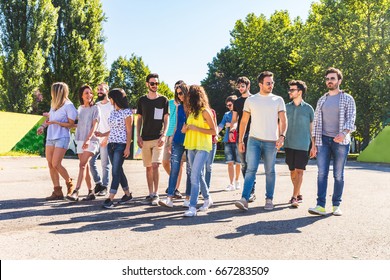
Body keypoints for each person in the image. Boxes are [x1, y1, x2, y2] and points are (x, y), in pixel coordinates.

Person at [234, 71, 287, 211]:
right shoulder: (251, 100)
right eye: (268, 83)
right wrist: (240, 141)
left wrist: (282, 136)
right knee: (250, 169)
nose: (271, 85)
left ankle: (269, 199)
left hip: (271, 141)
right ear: (260, 84)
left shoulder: (278, 100)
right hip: (254, 140)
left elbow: (283, 120)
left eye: (272, 83)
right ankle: (244, 199)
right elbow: (243, 122)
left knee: (270, 171)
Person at [308, 67, 356, 216]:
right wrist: (314, 144)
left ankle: (336, 205)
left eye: (333, 78)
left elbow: (351, 118)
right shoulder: (322, 100)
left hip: (341, 141)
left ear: (339, 81)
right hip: (323, 140)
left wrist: (343, 133)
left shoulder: (347, 98)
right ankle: (320, 206)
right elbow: (315, 123)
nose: (329, 81)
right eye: (328, 79)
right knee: (321, 173)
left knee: (338, 174)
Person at [36, 82, 77, 200]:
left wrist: (57, 123)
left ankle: (70, 184)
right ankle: (57, 191)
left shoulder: (69, 106)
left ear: (58, 92)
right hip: (50, 137)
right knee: (50, 164)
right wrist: (42, 127)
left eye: (53, 90)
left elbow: (71, 124)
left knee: (56, 164)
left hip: (62, 137)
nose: (51, 93)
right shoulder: (53, 104)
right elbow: (49, 118)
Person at [182, 85, 217, 217]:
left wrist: (196, 128)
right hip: (191, 146)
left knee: (194, 176)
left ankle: (192, 207)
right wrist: (185, 129)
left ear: (194, 96)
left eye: (188, 95)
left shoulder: (205, 111)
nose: (186, 97)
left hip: (203, 147)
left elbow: (213, 131)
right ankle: (207, 199)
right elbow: (186, 129)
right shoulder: (191, 112)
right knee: (198, 175)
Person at [96, 88, 134, 209]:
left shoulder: (127, 112)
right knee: (118, 170)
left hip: (121, 145)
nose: (110, 100)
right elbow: (113, 129)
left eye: (110, 98)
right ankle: (127, 194)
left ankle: (110, 198)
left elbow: (129, 131)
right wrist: (103, 135)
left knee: (115, 171)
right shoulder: (113, 112)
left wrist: (128, 147)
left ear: (114, 98)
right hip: (111, 144)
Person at [136, 73, 169, 205]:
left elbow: (166, 119)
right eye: (152, 83)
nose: (155, 85)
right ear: (147, 84)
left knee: (156, 165)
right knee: (148, 167)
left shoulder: (163, 100)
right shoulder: (142, 100)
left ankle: (156, 194)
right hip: (145, 138)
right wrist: (138, 135)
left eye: (157, 83)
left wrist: (164, 135)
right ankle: (150, 193)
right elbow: (139, 119)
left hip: (158, 138)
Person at [159, 82, 189, 208]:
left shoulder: (193, 106)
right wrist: (171, 140)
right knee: (174, 168)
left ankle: (188, 198)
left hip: (190, 141)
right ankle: (169, 198)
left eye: (181, 93)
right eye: (177, 94)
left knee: (190, 170)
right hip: (177, 140)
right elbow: (176, 124)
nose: (179, 96)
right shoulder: (178, 107)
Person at [67, 85, 101, 201]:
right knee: (84, 167)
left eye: (90, 93)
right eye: (86, 93)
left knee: (82, 165)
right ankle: (91, 192)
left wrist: (88, 139)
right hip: (80, 139)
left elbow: (94, 125)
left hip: (91, 141)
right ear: (82, 95)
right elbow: (79, 124)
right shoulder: (80, 109)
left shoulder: (95, 108)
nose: (89, 95)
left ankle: (76, 191)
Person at [284, 80, 314, 207]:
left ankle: (294, 197)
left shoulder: (308, 109)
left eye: (292, 90)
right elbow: (281, 125)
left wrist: (314, 145)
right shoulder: (286, 107)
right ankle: (299, 192)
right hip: (289, 143)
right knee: (292, 171)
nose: (289, 92)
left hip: (303, 144)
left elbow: (312, 128)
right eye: (289, 89)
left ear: (300, 92)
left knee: (300, 171)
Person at [230, 76, 256, 201]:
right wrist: (232, 128)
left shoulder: (255, 99)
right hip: (241, 135)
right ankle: (249, 190)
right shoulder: (237, 102)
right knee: (244, 164)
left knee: (251, 164)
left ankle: (251, 191)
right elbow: (235, 119)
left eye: (242, 86)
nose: (240, 88)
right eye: (239, 86)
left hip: (254, 135)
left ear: (248, 86)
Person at [89, 83, 114, 196]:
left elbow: (114, 124)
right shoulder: (96, 105)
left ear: (107, 91)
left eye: (101, 89)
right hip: (95, 139)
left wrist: (107, 138)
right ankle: (98, 183)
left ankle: (105, 186)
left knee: (105, 163)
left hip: (106, 139)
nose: (99, 91)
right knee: (91, 161)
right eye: (98, 89)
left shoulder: (112, 105)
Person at [162, 80, 184, 199]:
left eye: (180, 89)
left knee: (179, 164)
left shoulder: (186, 104)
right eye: (176, 89)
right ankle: (173, 180)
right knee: (165, 162)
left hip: (180, 135)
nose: (178, 92)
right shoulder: (169, 103)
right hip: (169, 135)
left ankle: (175, 188)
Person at [218, 95, 241, 191]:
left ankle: (237, 181)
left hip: (238, 140)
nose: (228, 107)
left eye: (230, 105)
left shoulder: (241, 113)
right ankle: (231, 184)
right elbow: (221, 125)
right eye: (227, 105)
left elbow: (242, 124)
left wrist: (230, 124)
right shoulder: (226, 114)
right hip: (228, 140)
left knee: (239, 162)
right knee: (230, 163)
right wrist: (215, 133)